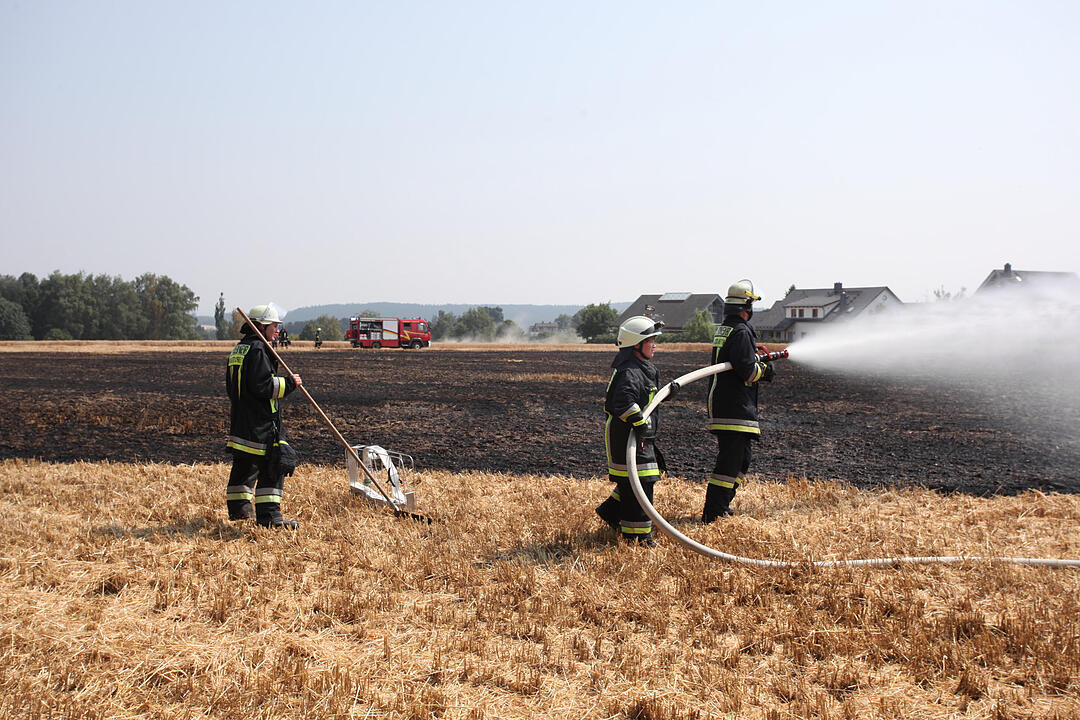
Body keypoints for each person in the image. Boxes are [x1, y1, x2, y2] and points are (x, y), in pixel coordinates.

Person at [225, 303, 303, 529]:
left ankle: (239, 513)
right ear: (261, 326)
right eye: (274, 326)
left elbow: (234, 386)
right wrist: (290, 383)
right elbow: (264, 386)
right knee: (274, 463)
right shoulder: (259, 349)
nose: (277, 330)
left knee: (245, 465)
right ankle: (270, 519)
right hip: (261, 422)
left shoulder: (240, 348)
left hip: (242, 419)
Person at [702, 279, 775, 522]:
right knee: (730, 462)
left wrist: (755, 357)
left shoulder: (726, 329)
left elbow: (737, 360)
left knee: (741, 460)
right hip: (734, 406)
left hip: (726, 404)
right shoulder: (742, 331)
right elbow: (747, 370)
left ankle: (721, 506)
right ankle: (713, 513)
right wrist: (764, 371)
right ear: (746, 306)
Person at [595, 315, 665, 545]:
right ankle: (638, 537)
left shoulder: (641, 368)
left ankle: (612, 512)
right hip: (628, 438)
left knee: (637, 481)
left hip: (639, 436)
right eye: (650, 341)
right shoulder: (630, 372)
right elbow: (623, 403)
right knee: (641, 482)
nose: (655, 345)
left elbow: (645, 397)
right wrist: (640, 422)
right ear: (636, 344)